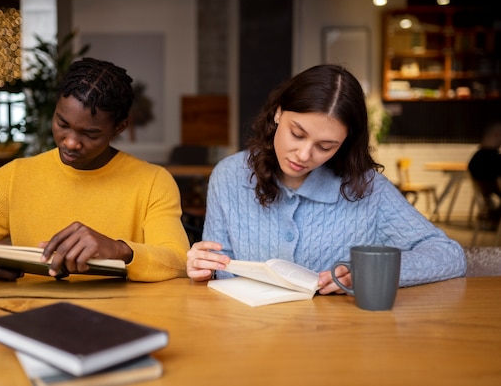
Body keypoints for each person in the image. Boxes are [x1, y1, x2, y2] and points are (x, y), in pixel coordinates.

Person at [187, 64, 466, 293]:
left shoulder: (368, 190)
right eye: (297, 133)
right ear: (278, 113)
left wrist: (366, 273)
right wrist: (203, 266)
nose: (304, 154)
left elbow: (448, 255)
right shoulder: (229, 176)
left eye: (325, 147)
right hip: (250, 337)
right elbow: (221, 272)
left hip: (336, 341)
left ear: (344, 143)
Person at [0, 57, 189, 282]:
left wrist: (119, 250)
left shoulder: (153, 182)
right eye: (62, 123)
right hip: (29, 316)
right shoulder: (16, 177)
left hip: (126, 320)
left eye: (89, 134)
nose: (70, 142)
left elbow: (177, 260)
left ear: (119, 127)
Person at [468, 122, 501, 223]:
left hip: (491, 206)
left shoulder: (477, 158)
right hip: (494, 211)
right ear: (497, 135)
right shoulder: (491, 160)